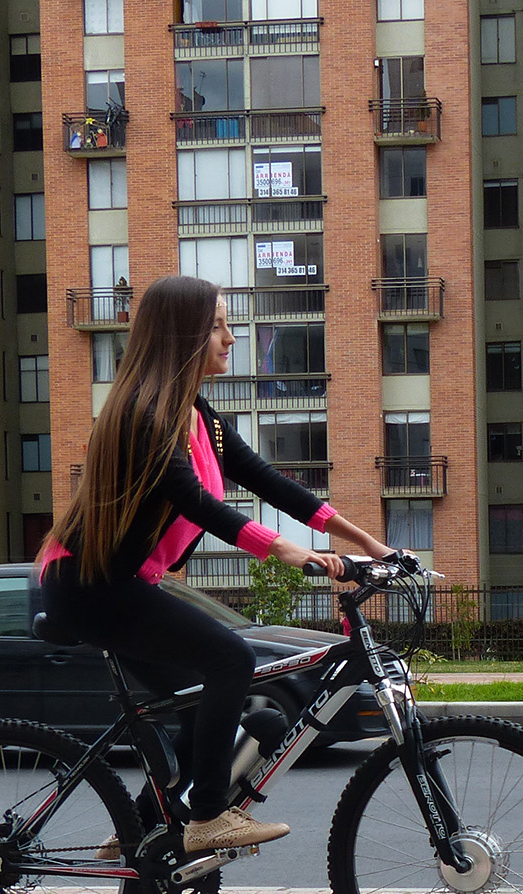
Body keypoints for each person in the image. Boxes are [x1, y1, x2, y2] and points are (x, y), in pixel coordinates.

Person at [38, 275, 394, 853]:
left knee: (200, 707)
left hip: (118, 586)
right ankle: (207, 816)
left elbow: (273, 484)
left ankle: (135, 833)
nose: (231, 338)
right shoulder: (142, 416)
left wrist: (373, 546)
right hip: (91, 587)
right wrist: (282, 550)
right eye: (218, 327)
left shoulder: (198, 418)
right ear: (183, 337)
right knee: (231, 656)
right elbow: (194, 501)